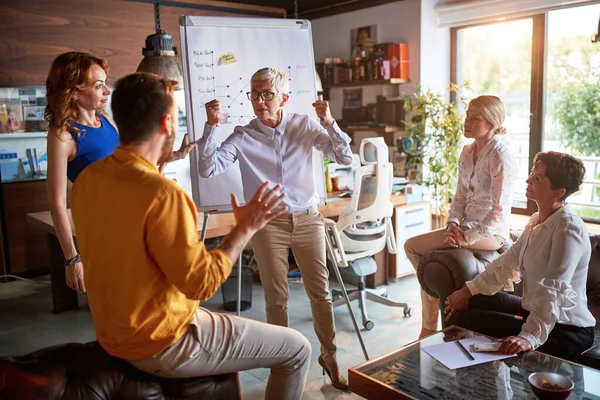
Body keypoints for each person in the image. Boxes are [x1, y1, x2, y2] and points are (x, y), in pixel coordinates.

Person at [70, 72, 311, 400]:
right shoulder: (163, 193)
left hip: (112, 332)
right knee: (297, 348)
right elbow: (202, 284)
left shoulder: (88, 180)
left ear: (120, 121)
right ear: (167, 124)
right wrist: (245, 227)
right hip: (162, 341)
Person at [199, 67, 353, 390]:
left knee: (320, 294)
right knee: (276, 298)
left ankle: (330, 355)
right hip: (268, 223)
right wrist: (211, 128)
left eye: (267, 94)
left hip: (308, 218)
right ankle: (281, 364)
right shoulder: (243, 135)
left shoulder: (303, 125)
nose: (259, 101)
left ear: (283, 97)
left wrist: (329, 122)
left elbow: (345, 157)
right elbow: (208, 166)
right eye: (254, 94)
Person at [45, 52, 195, 294]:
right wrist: (72, 258)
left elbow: (134, 165)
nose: (107, 90)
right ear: (73, 91)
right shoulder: (62, 135)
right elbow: (57, 203)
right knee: (121, 300)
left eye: (106, 83)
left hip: (137, 217)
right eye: (98, 85)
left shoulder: (106, 120)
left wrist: (174, 155)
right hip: (105, 229)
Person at [445, 152, 595, 361]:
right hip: (534, 310)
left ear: (558, 192)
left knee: (463, 319)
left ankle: (474, 384)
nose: (528, 180)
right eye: (532, 173)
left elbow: (553, 290)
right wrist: (467, 291)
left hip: (566, 330)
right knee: (470, 300)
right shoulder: (536, 221)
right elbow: (507, 262)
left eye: (537, 178)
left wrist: (529, 337)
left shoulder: (568, 229)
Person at [404, 95, 518, 339]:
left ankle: (426, 329)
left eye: (475, 117)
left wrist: (468, 238)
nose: (467, 121)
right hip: (464, 227)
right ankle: (428, 325)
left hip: (492, 234)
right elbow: (459, 197)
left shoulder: (501, 155)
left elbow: (498, 211)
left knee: (412, 246)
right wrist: (452, 225)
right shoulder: (467, 152)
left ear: (492, 122)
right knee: (418, 250)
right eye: (467, 114)